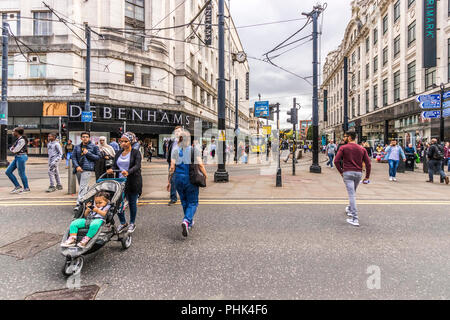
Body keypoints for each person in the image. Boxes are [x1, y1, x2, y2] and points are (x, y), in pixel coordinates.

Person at [167, 129, 207, 237]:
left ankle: (189, 221)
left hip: (178, 179)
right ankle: (186, 220)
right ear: (188, 139)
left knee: (184, 201)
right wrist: (205, 175)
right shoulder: (194, 150)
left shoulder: (175, 150)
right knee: (193, 202)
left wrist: (169, 181)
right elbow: (200, 165)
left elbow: (172, 167)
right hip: (190, 179)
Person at [107, 132, 143, 233]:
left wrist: (128, 172)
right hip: (120, 182)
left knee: (132, 203)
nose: (123, 143)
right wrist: (112, 169)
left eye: (125, 141)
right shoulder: (118, 153)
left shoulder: (136, 153)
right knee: (118, 203)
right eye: (121, 141)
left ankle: (132, 223)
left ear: (130, 142)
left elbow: (137, 166)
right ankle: (123, 223)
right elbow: (115, 165)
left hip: (133, 181)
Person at [334, 132, 371, 227]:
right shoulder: (362, 148)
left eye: (345, 136)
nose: (344, 138)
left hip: (347, 173)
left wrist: (341, 172)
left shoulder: (343, 148)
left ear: (349, 137)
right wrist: (367, 176)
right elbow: (368, 163)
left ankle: (355, 218)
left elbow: (336, 161)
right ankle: (350, 209)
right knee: (353, 192)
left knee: (352, 195)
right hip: (358, 174)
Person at [72, 132, 101, 211]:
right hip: (78, 169)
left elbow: (98, 157)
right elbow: (73, 157)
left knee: (82, 187)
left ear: (89, 138)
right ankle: (88, 200)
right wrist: (77, 166)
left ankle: (79, 204)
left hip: (87, 169)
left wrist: (88, 153)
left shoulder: (94, 147)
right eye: (83, 137)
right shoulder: (77, 147)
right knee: (83, 187)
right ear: (81, 138)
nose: (85, 138)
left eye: (87, 137)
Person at [5, 127, 30, 194]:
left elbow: (15, 150)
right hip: (17, 157)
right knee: (8, 172)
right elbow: (13, 149)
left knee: (21, 173)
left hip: (21, 157)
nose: (12, 132)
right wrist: (12, 149)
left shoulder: (22, 140)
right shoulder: (18, 140)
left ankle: (26, 188)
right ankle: (17, 186)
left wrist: (12, 149)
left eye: (13, 131)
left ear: (17, 132)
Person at [167, 126, 182, 205]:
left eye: (179, 131)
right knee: (172, 180)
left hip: (180, 163)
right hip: (171, 163)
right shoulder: (172, 141)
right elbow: (169, 150)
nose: (177, 133)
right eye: (176, 131)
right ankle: (173, 198)